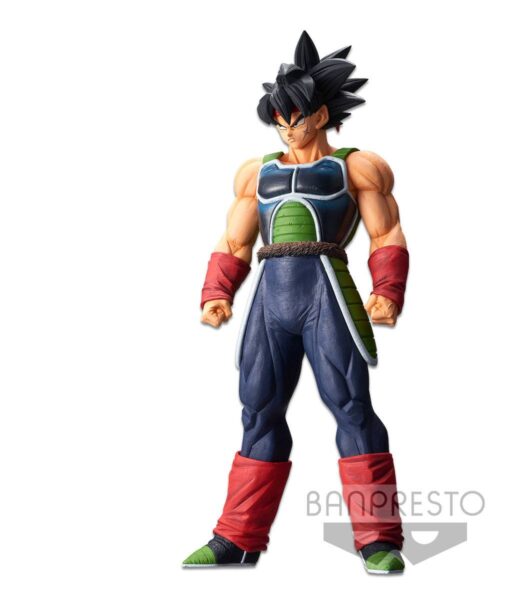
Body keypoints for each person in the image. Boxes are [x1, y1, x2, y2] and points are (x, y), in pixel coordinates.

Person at [183, 31, 409, 575]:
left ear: (321, 114)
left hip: (326, 294)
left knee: (351, 407)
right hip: (270, 299)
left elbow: (387, 233)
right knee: (258, 410)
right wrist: (216, 293)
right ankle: (237, 537)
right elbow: (234, 241)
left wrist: (387, 291)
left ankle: (379, 539)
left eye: (296, 116)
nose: (286, 127)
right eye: (278, 118)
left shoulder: (357, 167)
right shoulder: (255, 173)